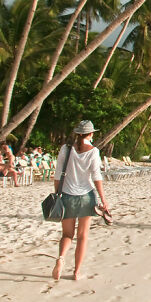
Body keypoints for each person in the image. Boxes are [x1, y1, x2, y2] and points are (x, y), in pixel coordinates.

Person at [52, 120, 108, 281]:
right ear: (91, 134)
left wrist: (57, 194)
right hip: (86, 196)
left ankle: (61, 258)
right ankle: (76, 272)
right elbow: (96, 177)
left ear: (77, 133)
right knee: (82, 236)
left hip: (67, 195)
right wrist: (103, 199)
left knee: (67, 235)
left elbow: (57, 175)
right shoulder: (93, 151)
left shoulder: (66, 149)